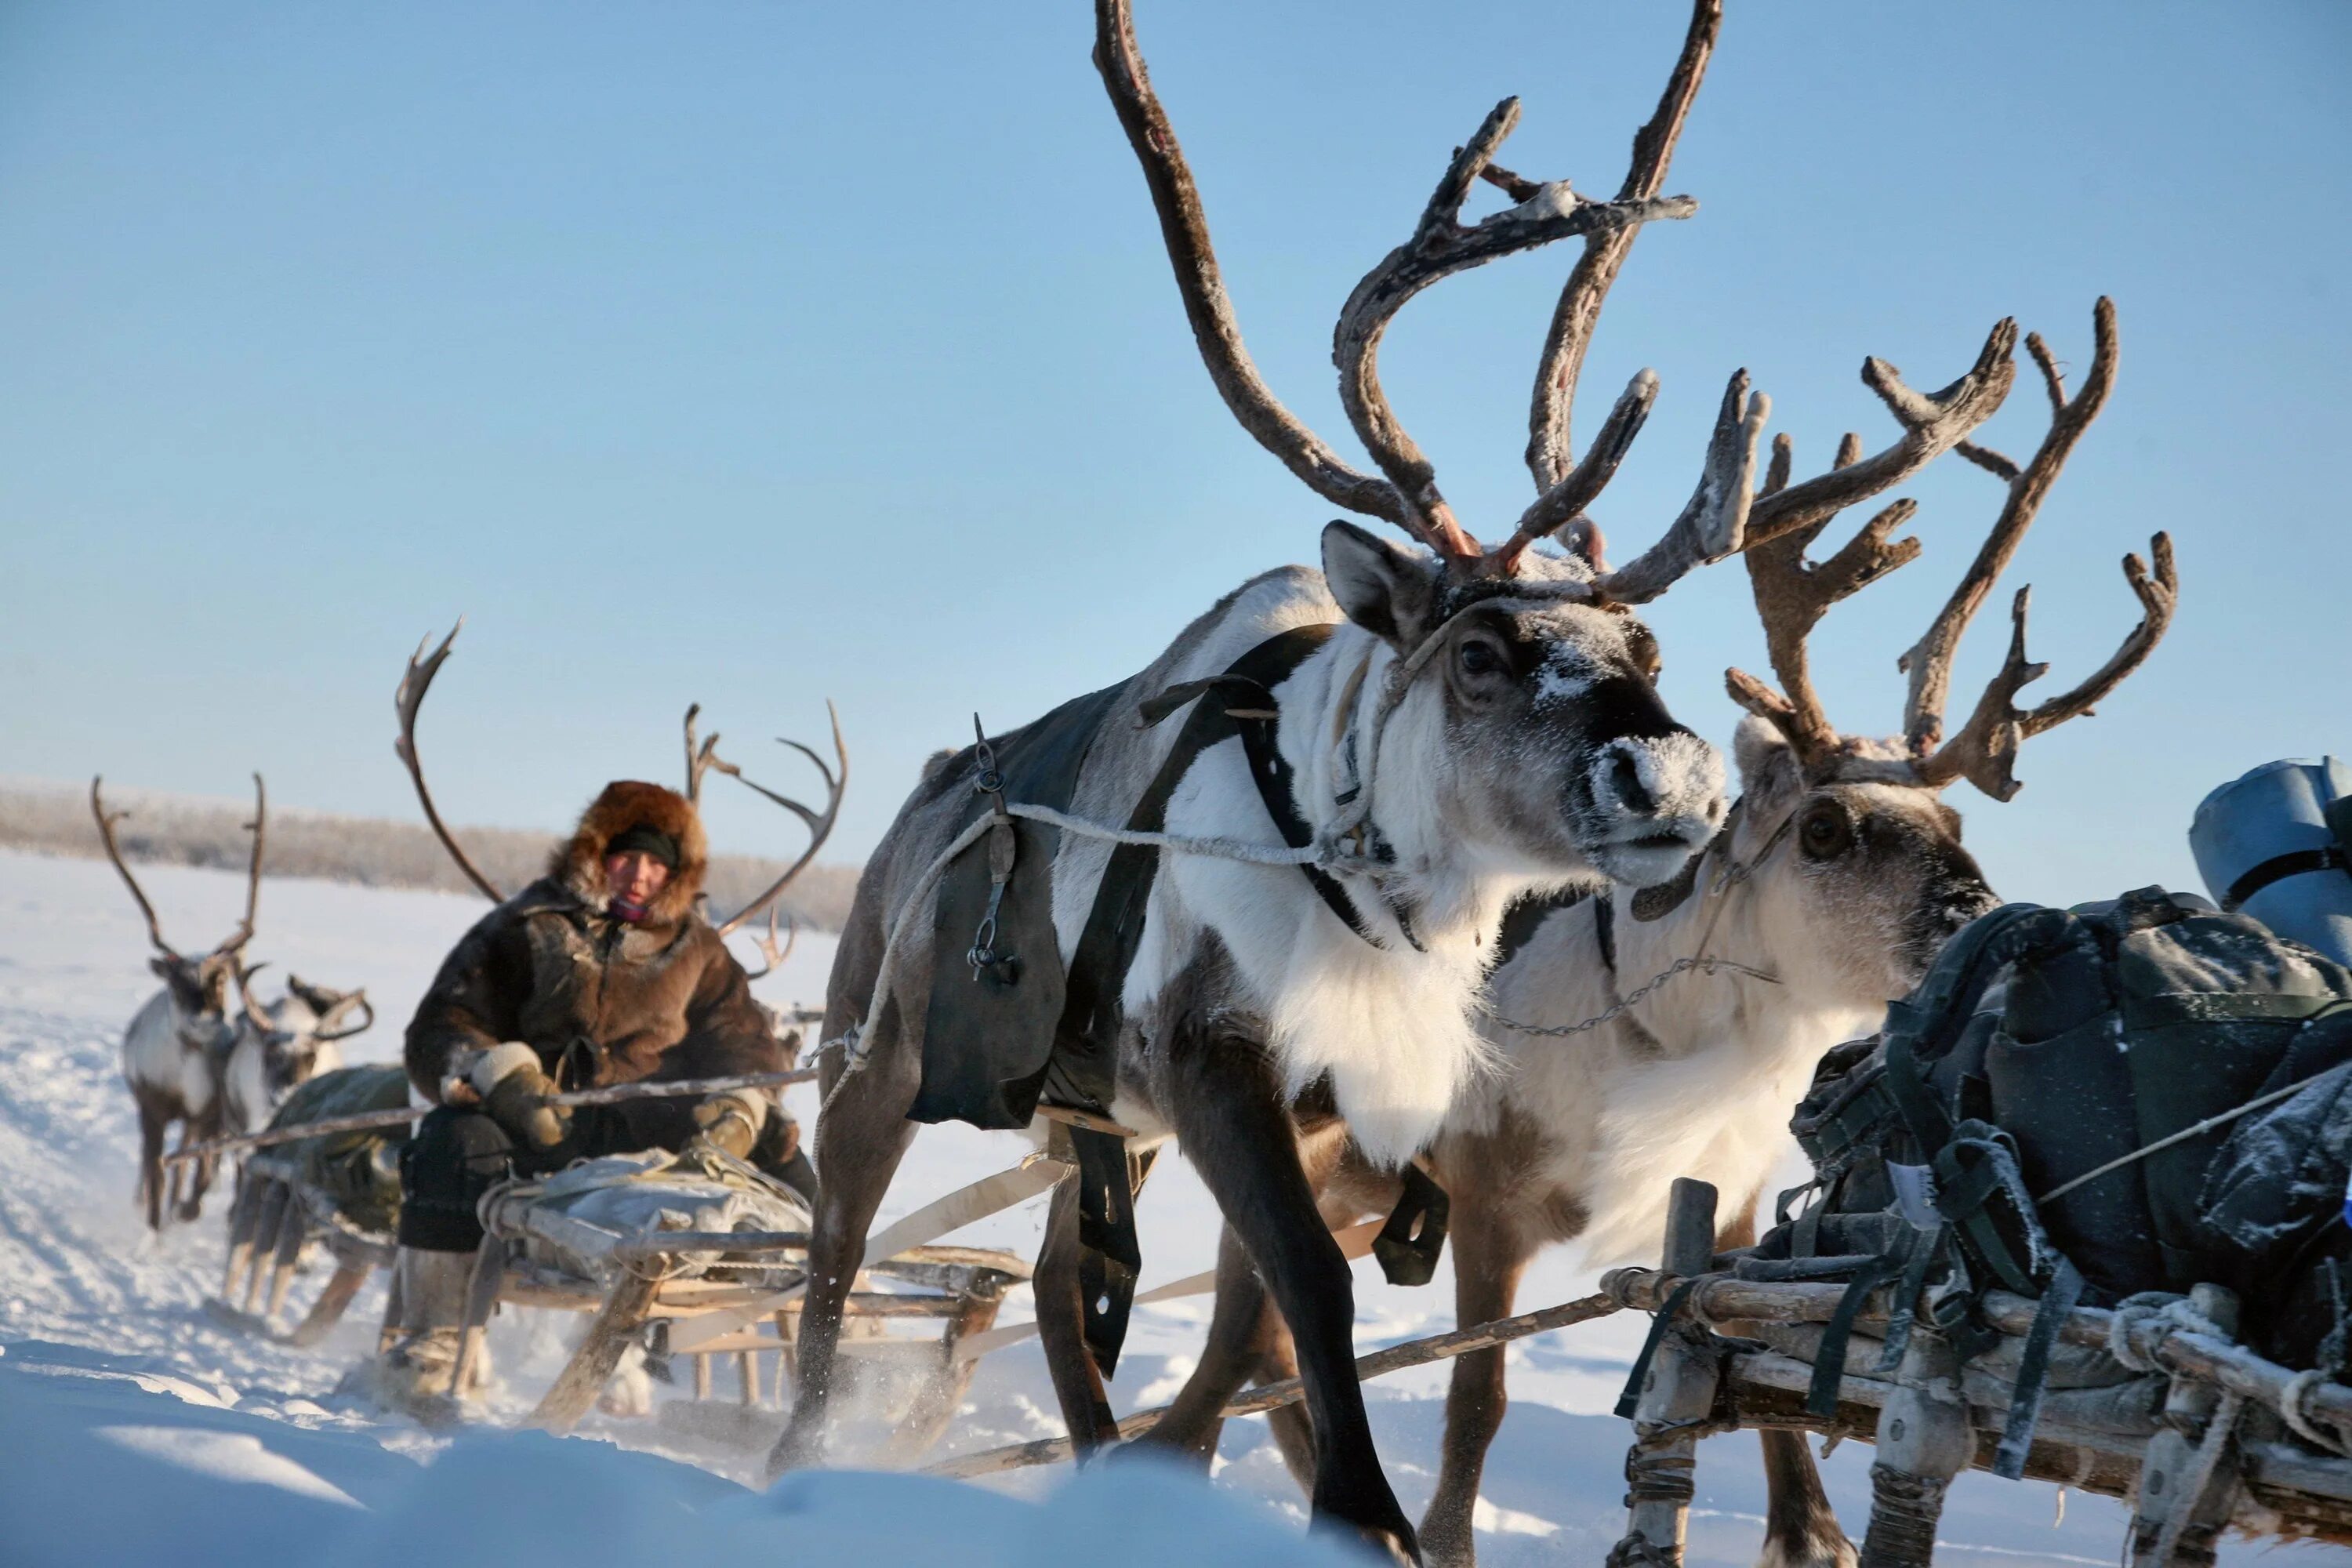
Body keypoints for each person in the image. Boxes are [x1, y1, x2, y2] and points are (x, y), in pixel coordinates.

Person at [374, 779, 813, 1406]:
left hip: (654, 1144)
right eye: (627, 857)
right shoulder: (527, 927)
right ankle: (433, 1340)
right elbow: (443, 1024)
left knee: (785, 1158)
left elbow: (743, 1044)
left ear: (677, 873)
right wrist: (501, 1075)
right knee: (450, 1138)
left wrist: (742, 1110)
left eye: (657, 862)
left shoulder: (698, 951)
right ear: (597, 854)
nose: (639, 875)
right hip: (536, 1132)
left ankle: (833, 1334)